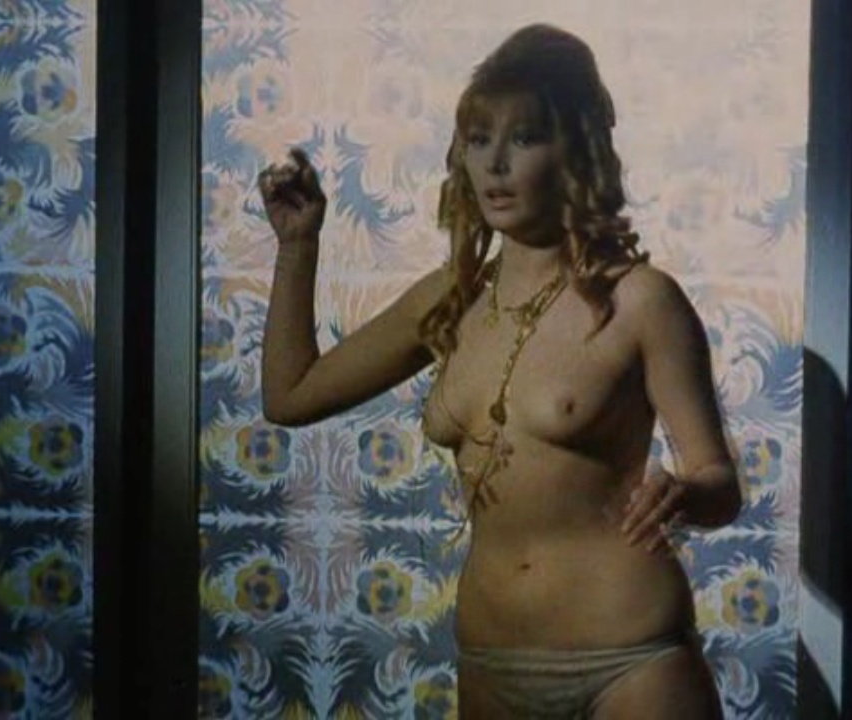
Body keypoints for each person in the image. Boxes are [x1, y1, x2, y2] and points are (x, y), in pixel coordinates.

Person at [258, 23, 741, 719]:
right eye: (480, 140)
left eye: (525, 138)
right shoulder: (450, 300)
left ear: (576, 152)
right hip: (492, 662)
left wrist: (685, 494)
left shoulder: (640, 300)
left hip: (632, 659)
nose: (496, 165)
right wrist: (298, 245)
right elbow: (290, 396)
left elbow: (721, 485)